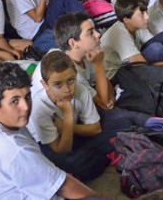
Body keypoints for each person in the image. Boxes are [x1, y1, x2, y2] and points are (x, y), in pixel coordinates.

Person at [0, 63, 101, 200]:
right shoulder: (14, 150)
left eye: (27, 97)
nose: (25, 107)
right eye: (15, 101)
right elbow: (65, 187)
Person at [27, 51, 113, 181]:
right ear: (45, 84)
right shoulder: (39, 107)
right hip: (46, 144)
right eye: (58, 85)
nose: (67, 89)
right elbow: (61, 149)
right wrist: (68, 115)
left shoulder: (81, 90)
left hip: (71, 131)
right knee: (75, 165)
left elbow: (96, 128)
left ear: (76, 75)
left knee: (116, 123)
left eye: (71, 81)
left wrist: (68, 126)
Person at [101, 0, 163, 79]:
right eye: (141, 14)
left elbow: (153, 42)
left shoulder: (137, 24)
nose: (147, 17)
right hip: (117, 74)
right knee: (157, 49)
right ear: (126, 19)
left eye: (146, 11)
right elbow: (140, 66)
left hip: (132, 63)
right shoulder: (119, 32)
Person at [52, 12, 113, 110]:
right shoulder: (67, 70)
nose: (98, 34)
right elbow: (103, 104)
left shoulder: (86, 54)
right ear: (73, 43)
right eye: (90, 32)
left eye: (95, 30)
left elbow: (105, 83)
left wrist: (111, 99)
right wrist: (99, 64)